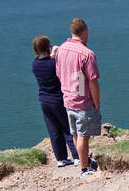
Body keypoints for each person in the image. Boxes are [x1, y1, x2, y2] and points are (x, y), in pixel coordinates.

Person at [55, 17, 102, 177]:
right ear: (85, 32)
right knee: (83, 137)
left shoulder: (61, 49)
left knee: (75, 134)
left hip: (68, 99)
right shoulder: (87, 54)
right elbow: (92, 81)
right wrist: (97, 103)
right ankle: (84, 169)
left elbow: (59, 74)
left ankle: (84, 162)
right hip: (83, 101)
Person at [31, 36, 80, 167]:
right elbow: (58, 68)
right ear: (48, 47)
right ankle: (77, 156)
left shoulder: (35, 64)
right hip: (58, 100)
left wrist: (51, 54)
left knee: (54, 130)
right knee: (68, 127)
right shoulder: (53, 63)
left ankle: (61, 158)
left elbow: (44, 61)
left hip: (44, 101)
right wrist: (54, 54)